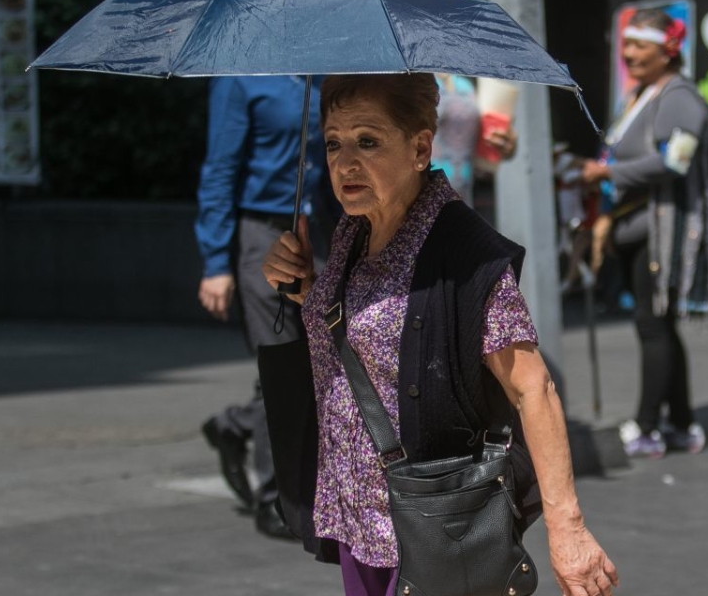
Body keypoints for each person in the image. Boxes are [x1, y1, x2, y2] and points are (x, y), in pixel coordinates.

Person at [260, 73, 618, 596]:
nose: (344, 163)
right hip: (361, 518)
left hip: (433, 525)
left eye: (368, 141)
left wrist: (569, 530)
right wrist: (306, 287)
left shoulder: (467, 253)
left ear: (420, 147)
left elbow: (531, 388)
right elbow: (361, 338)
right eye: (334, 142)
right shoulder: (351, 232)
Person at [195, 74, 332, 539]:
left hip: (321, 233)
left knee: (323, 361)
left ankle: (233, 425)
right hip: (262, 234)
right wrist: (216, 262)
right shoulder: (242, 79)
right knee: (281, 365)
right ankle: (276, 499)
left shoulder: (325, 78)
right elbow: (219, 168)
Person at [580, 8, 708, 458]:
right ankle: (681, 424)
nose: (629, 53)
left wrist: (607, 170)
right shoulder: (642, 93)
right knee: (659, 324)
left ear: (668, 51)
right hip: (639, 227)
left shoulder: (680, 97)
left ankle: (646, 426)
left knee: (652, 323)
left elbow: (676, 161)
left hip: (665, 228)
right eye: (627, 45)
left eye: (640, 46)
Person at [418, 0, 519, 209]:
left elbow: (478, 148)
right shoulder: (408, 75)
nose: (461, 20)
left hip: (462, 207)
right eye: (452, 9)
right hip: (416, 209)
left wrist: (504, 145)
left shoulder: (465, 80)